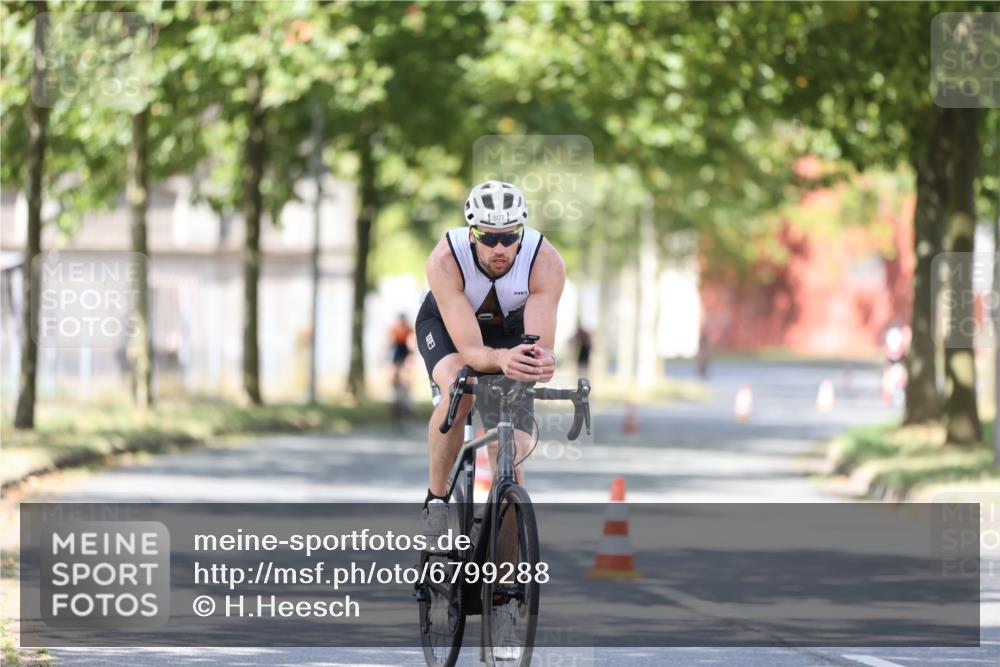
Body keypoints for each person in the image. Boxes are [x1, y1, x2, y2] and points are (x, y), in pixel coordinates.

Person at [415, 180, 566, 552]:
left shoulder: (544, 261)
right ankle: (436, 500)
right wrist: (500, 360)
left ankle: (503, 577)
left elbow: (541, 347)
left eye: (509, 237)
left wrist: (542, 363)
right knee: (460, 388)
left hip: (509, 334)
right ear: (472, 233)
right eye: (489, 237)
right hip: (451, 331)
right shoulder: (446, 259)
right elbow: (470, 351)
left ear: (521, 233)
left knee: (510, 452)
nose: (500, 248)